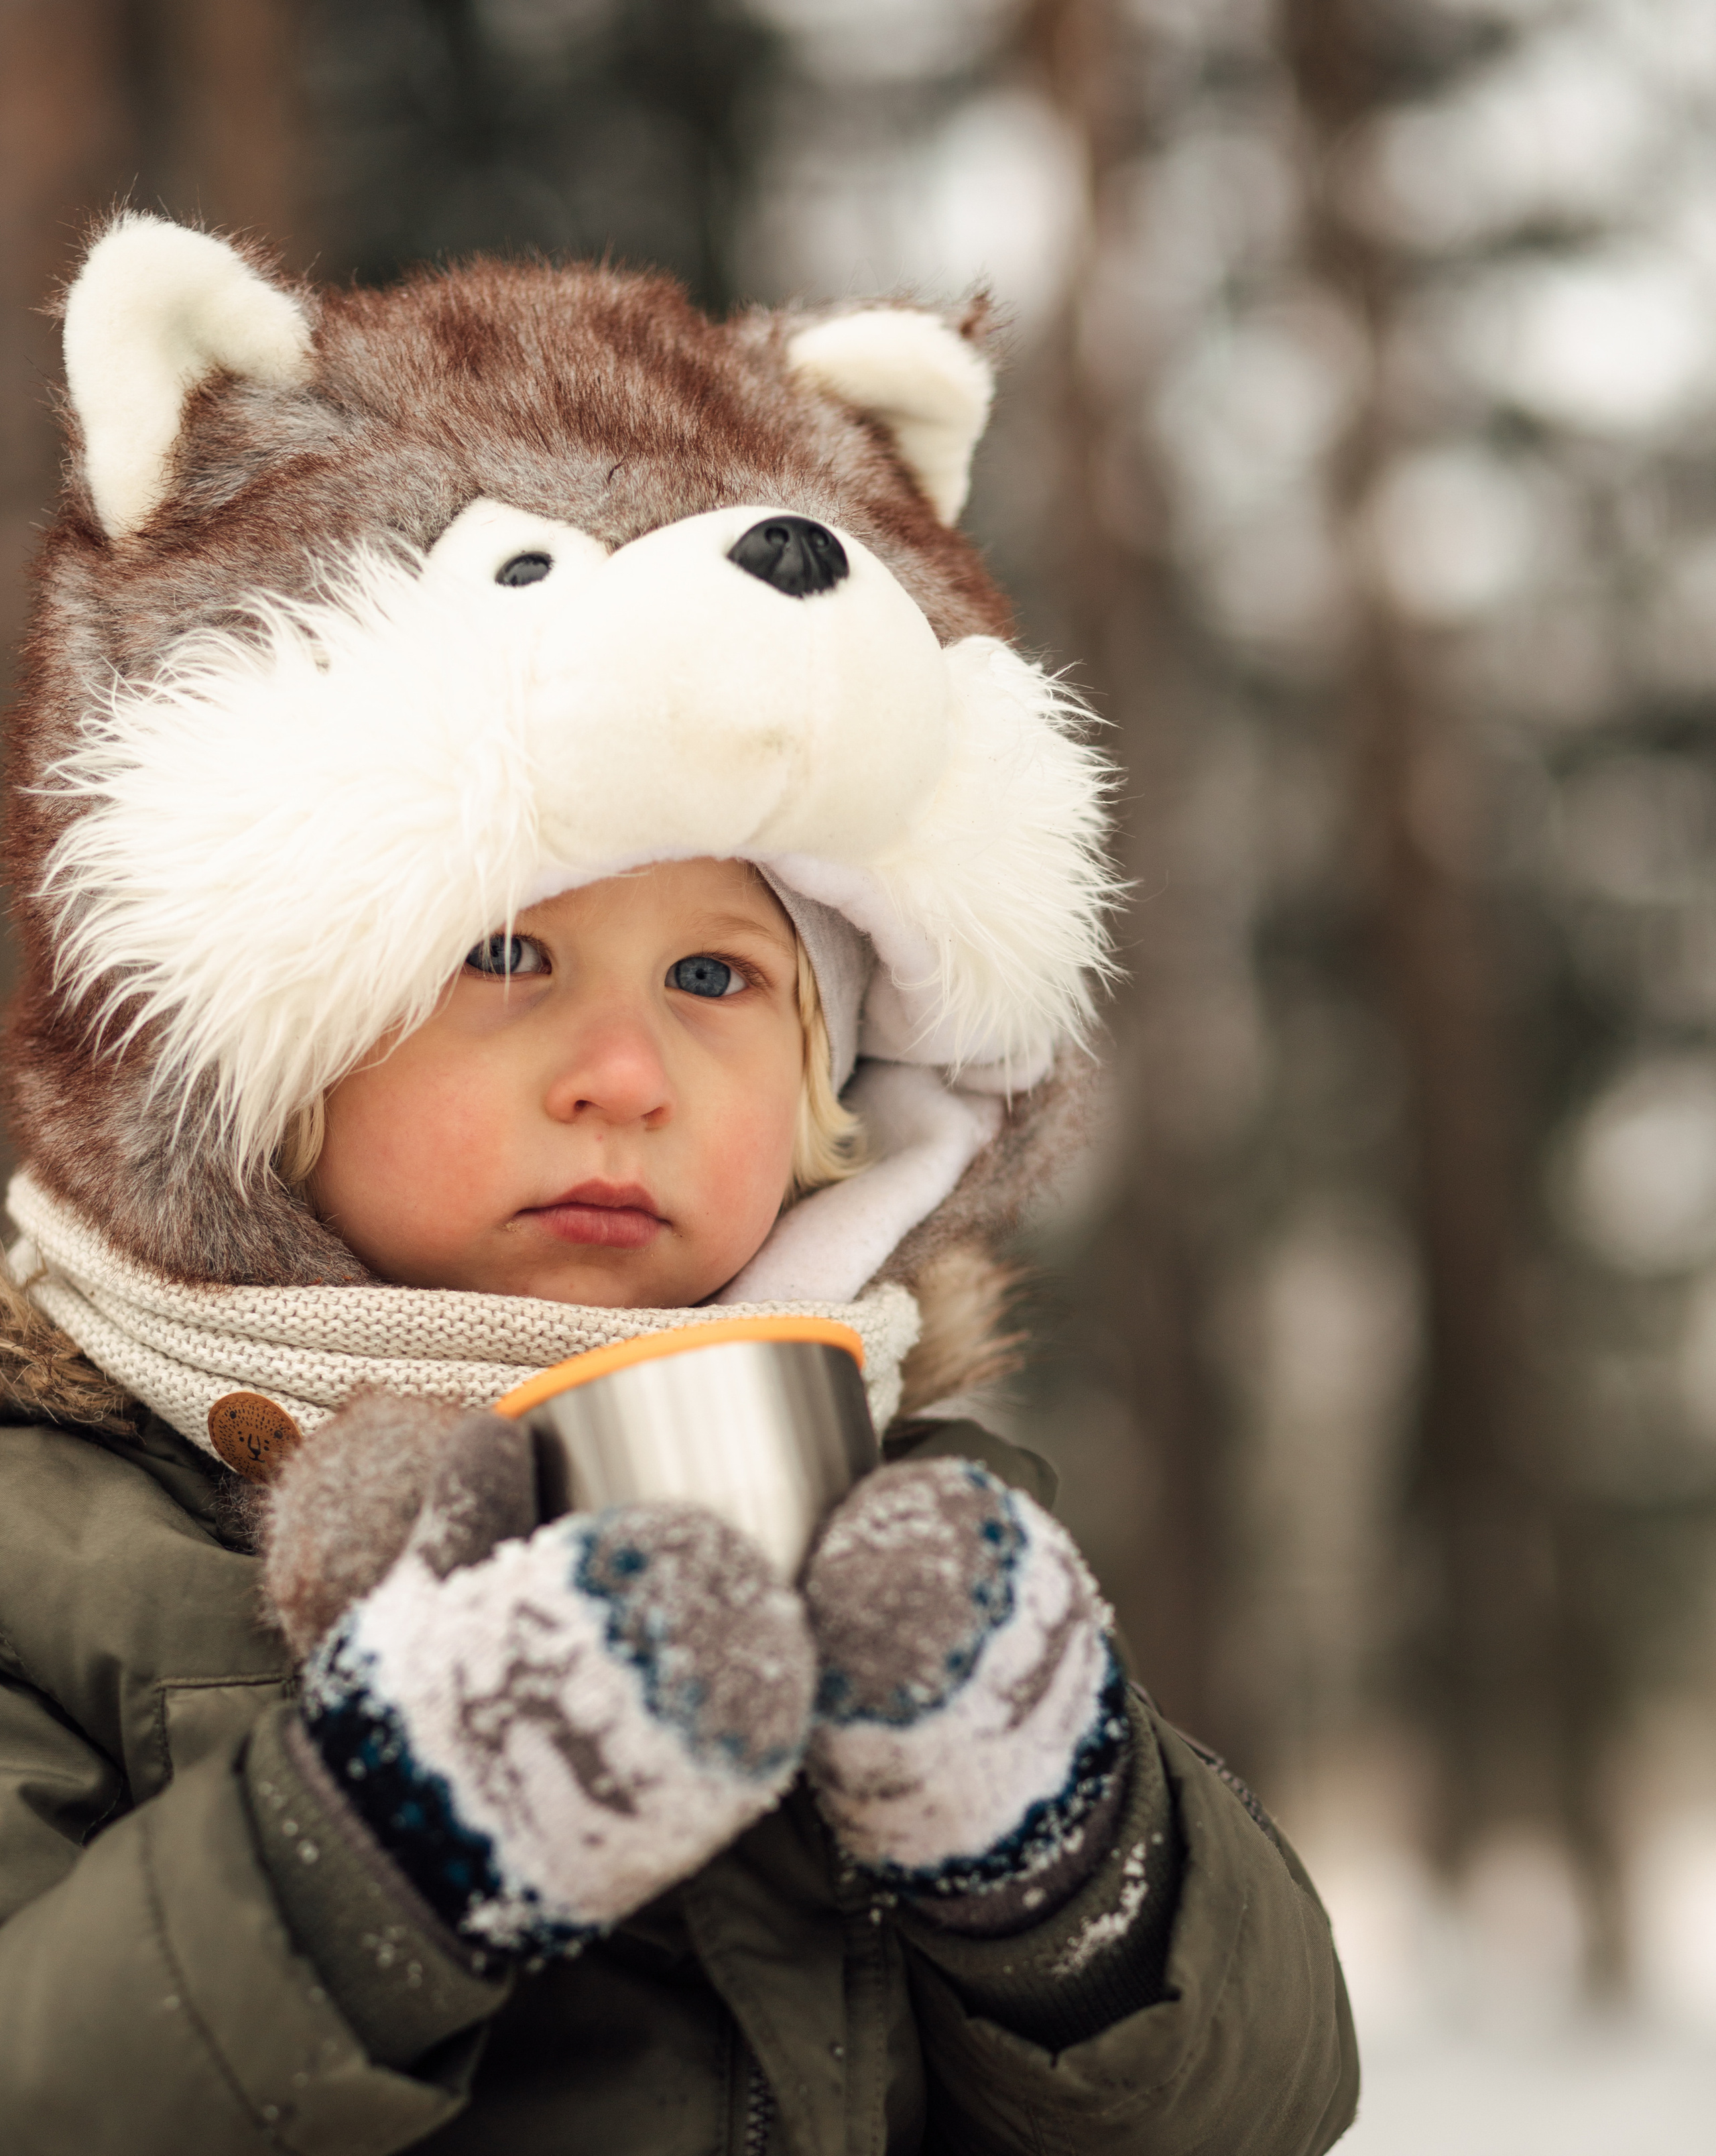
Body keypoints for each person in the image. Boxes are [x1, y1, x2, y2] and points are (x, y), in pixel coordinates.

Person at [0, 213, 1359, 2153]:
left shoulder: (899, 1506)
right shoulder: (58, 1546)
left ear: (831, 1092)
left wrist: (1063, 1866)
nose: (624, 1077)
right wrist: (386, 1848)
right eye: (504, 954)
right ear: (256, 1042)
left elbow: (1266, 2101)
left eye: (715, 981)